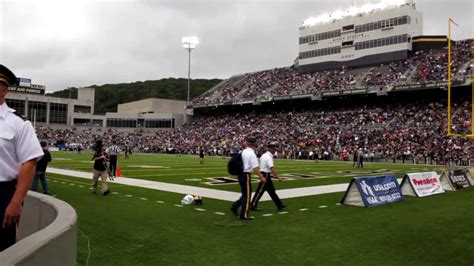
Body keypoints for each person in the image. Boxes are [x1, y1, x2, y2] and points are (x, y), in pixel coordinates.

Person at [0, 64, 44, 251]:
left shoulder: (18, 123)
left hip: (3, 193)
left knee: (3, 249)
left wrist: (17, 202)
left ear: (5, 89)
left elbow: (29, 162)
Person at [230, 136, 266, 220]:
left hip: (240, 174)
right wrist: (261, 177)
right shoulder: (251, 154)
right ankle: (244, 215)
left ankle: (235, 206)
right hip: (246, 175)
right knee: (247, 196)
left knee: (245, 194)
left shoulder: (242, 151)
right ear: (254, 144)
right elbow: (255, 167)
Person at [250, 142, 286, 211]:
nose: (275, 150)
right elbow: (272, 168)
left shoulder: (264, 155)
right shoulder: (268, 157)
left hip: (265, 174)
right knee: (260, 191)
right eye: (274, 149)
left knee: (271, 191)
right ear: (270, 149)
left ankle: (279, 204)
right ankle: (253, 205)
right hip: (265, 175)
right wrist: (278, 177)